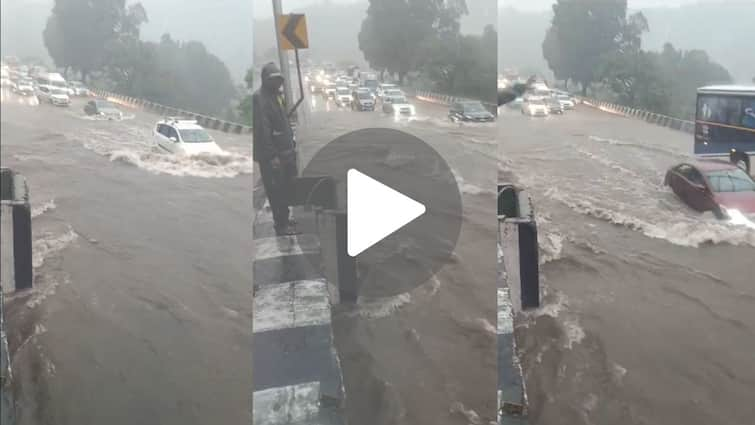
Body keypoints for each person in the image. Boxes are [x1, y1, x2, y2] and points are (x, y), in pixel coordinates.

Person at [253, 62, 300, 236]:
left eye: (279, 80)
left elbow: (282, 122)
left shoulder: (276, 96)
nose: (278, 83)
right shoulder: (260, 99)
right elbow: (263, 131)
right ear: (266, 80)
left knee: (287, 188)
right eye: (274, 80)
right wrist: (272, 156)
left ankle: (285, 219)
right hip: (273, 156)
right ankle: (280, 224)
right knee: (276, 190)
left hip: (285, 152)